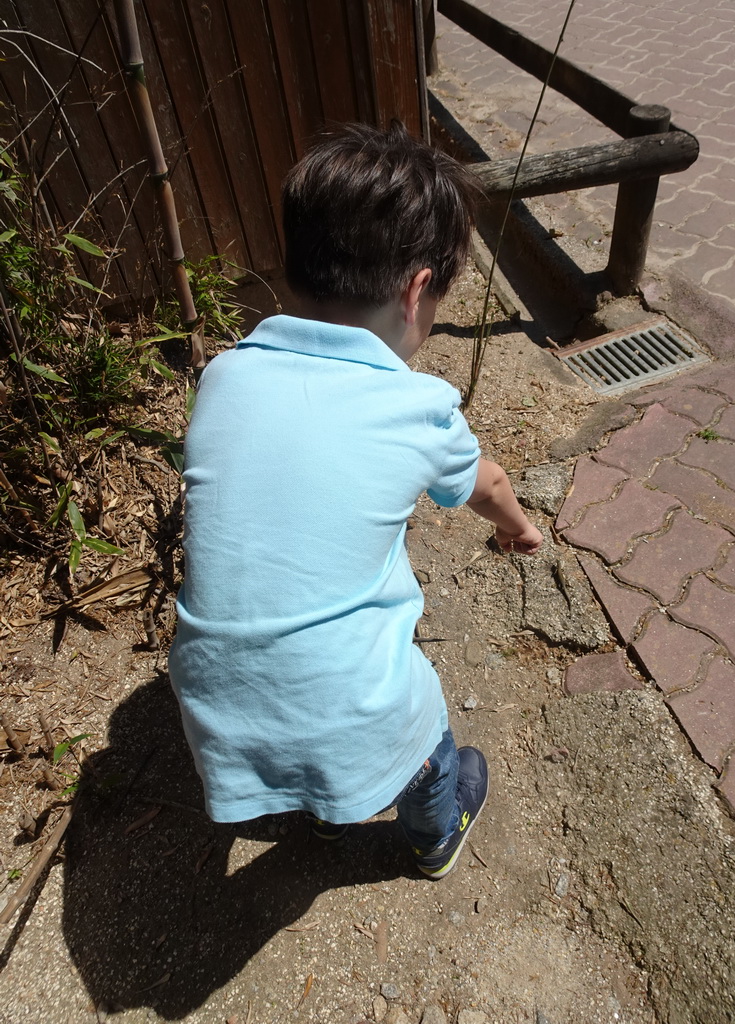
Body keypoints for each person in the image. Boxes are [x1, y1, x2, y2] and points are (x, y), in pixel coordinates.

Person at [168, 121, 543, 880]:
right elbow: (490, 486)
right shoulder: (419, 408)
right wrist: (519, 531)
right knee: (418, 722)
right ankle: (435, 830)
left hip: (215, 711)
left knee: (304, 681)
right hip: (350, 716)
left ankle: (323, 807)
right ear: (416, 292)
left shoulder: (223, 377)